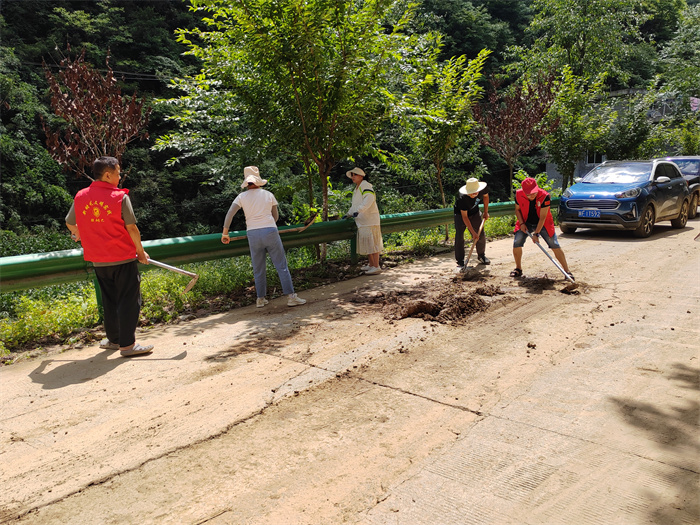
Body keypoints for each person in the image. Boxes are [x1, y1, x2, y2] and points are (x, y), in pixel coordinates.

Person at [65, 156, 153, 357]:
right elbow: (131, 227)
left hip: (98, 260)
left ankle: (114, 340)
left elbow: (70, 222)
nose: (120, 176)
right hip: (122, 257)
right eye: (118, 172)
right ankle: (128, 345)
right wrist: (140, 252)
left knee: (110, 300)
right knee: (129, 300)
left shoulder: (80, 196)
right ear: (107, 174)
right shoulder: (119, 197)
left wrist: (78, 233)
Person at [221, 166, 306, 308]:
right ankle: (291, 297)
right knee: (281, 266)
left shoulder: (241, 197)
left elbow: (230, 214)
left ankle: (260, 299)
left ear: (246, 182)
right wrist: (268, 222)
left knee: (258, 268)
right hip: (270, 231)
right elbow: (276, 216)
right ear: (258, 181)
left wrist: (225, 233)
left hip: (253, 234)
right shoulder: (268, 194)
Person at [511, 177, 573, 279]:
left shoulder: (545, 196)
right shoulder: (518, 194)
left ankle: (567, 271)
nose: (531, 195)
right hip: (525, 221)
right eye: (528, 194)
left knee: (554, 244)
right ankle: (518, 269)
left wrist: (536, 234)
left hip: (543, 223)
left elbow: (543, 217)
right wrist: (522, 223)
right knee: (517, 242)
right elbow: (517, 210)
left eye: (533, 193)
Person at [346, 167, 383, 275]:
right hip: (363, 221)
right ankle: (371, 265)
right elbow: (355, 205)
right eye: (352, 175)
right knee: (368, 243)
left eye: (355, 175)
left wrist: (359, 210)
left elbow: (369, 199)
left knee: (373, 243)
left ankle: (376, 266)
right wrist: (348, 214)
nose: (353, 177)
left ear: (361, 176)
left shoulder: (365, 185)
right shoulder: (357, 188)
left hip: (370, 220)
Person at [454, 177, 490, 269]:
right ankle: (460, 261)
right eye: (472, 192)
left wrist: (485, 212)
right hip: (460, 215)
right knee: (459, 236)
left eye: (476, 192)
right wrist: (473, 233)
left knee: (480, 234)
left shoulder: (482, 189)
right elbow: (465, 217)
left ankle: (481, 255)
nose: (475, 194)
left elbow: (486, 197)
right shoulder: (462, 198)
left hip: (475, 212)